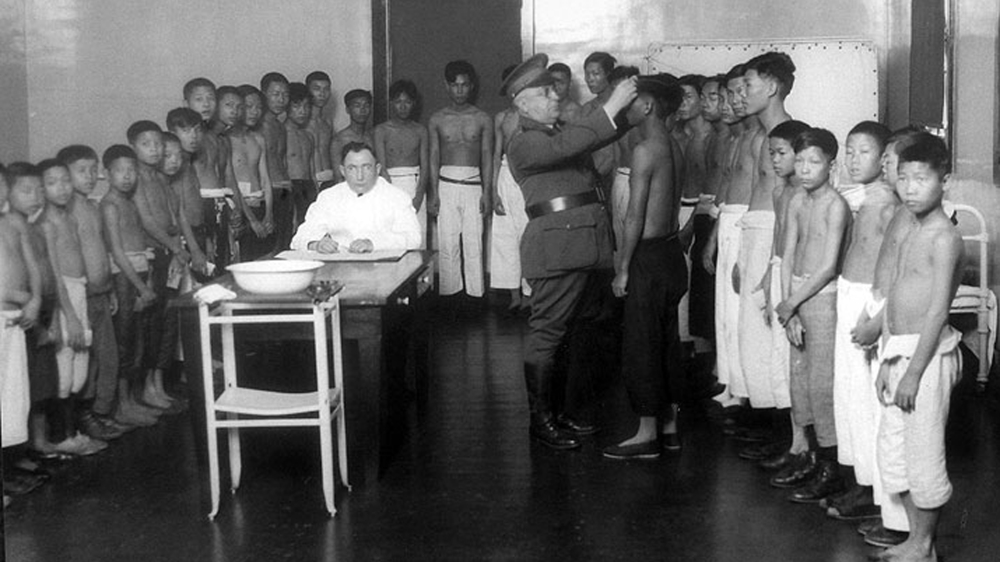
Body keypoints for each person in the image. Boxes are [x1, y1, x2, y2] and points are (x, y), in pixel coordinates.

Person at [502, 53, 636, 450]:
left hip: (582, 245)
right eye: (545, 93)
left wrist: (622, 107)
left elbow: (589, 136)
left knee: (570, 336)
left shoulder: (558, 133)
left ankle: (559, 413)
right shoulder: (524, 142)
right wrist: (611, 106)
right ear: (523, 102)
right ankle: (541, 422)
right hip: (557, 249)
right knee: (547, 335)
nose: (556, 96)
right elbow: (570, 143)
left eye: (554, 88)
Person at [867, 134, 962, 562]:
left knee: (923, 455)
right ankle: (915, 538)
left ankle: (924, 545)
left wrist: (913, 371)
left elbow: (937, 312)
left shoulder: (944, 237)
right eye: (903, 178)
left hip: (926, 359)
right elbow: (898, 299)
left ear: (945, 180)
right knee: (893, 453)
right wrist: (889, 358)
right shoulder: (911, 227)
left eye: (921, 179)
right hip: (899, 351)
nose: (909, 188)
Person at [849, 127, 933, 549]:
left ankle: (906, 529)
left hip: (902, 334)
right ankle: (892, 516)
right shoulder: (899, 211)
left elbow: (904, 284)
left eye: (893, 160)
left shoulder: (924, 223)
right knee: (885, 431)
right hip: (884, 324)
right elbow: (884, 277)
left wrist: (875, 321)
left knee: (905, 437)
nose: (886, 166)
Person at [602, 76, 686, 459]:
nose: (625, 108)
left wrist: (622, 267)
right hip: (671, 256)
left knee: (641, 345)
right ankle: (669, 428)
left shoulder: (645, 149)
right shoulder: (676, 146)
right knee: (666, 342)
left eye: (631, 101)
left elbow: (634, 215)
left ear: (649, 105)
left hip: (648, 257)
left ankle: (646, 434)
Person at [776, 128, 851, 502]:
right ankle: (806, 455)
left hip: (822, 297)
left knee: (822, 384)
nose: (805, 169)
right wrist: (788, 305)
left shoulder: (835, 205)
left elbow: (826, 267)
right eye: (800, 160)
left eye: (814, 161)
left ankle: (830, 466)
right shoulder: (797, 201)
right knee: (799, 379)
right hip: (797, 294)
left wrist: (793, 304)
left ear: (830, 165)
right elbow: (787, 254)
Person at [826, 121, 895, 521]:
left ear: (884, 158)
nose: (853, 159)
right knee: (849, 397)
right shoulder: (863, 198)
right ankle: (859, 482)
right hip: (849, 293)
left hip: (870, 302)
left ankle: (875, 491)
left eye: (864, 151)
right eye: (849, 150)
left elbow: (892, 270)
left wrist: (875, 314)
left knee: (868, 401)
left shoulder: (888, 204)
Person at [736, 52, 796, 438]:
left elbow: (786, 204)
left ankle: (786, 436)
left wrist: (773, 262)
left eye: (750, 85)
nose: (742, 93)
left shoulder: (789, 136)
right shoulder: (761, 137)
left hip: (773, 237)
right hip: (754, 232)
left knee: (773, 338)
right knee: (754, 337)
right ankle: (768, 424)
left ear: (772, 87)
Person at [38, 159, 109, 456]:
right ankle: (62, 436)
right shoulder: (46, 224)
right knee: (64, 372)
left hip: (80, 290)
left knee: (80, 368)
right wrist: (69, 314)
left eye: (66, 181)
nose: (63, 188)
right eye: (53, 183)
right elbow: (54, 275)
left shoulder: (69, 217)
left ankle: (73, 432)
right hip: (64, 296)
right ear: (42, 188)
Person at [754, 119, 813, 477]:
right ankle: (794, 441)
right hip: (779, 273)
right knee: (781, 361)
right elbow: (780, 240)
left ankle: (804, 446)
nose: (775, 160)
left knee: (799, 362)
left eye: (781, 153)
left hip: (799, 282)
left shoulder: (808, 194)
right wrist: (767, 275)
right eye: (771, 153)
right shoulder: (781, 192)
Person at [56, 145, 123, 441]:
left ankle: (99, 413)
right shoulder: (64, 212)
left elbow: (102, 251)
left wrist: (109, 289)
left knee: (106, 359)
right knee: (82, 363)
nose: (90, 176)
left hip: (100, 293)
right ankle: (83, 418)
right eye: (81, 170)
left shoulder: (93, 207)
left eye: (93, 169)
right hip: (78, 297)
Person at [702, 63, 758, 408]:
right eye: (730, 94)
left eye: (741, 92)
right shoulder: (738, 138)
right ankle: (731, 384)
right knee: (726, 314)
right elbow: (727, 194)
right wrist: (712, 238)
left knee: (741, 316)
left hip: (746, 228)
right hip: (729, 223)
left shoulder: (765, 137)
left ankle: (746, 394)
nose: (735, 101)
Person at [128, 121, 192, 414]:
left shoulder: (162, 179)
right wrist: (177, 247)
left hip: (170, 254)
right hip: (154, 255)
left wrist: (179, 248)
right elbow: (148, 222)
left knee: (167, 322)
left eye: (158, 145)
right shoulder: (138, 179)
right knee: (150, 326)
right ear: (133, 147)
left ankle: (158, 385)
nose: (154, 150)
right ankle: (144, 390)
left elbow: (173, 219)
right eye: (147, 144)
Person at [428, 60, 493, 301]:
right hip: (446, 182)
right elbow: (434, 156)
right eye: (455, 85)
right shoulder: (437, 119)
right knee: (447, 242)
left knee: (474, 241)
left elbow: (486, 156)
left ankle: (475, 297)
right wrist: (433, 192)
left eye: (464, 85)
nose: (460, 90)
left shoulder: (483, 118)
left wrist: (487, 192)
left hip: (474, 183)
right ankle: (450, 295)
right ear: (447, 86)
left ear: (472, 86)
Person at [0, 163, 45, 500]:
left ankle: (9, 465)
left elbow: (31, 266)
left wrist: (34, 301)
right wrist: (17, 296)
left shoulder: (11, 224)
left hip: (17, 321)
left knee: (13, 400)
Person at [290, 142, 420, 253]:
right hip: (340, 268)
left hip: (386, 269)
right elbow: (299, 239)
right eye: (352, 168)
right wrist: (316, 244)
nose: (360, 176)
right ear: (342, 171)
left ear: (378, 169)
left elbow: (413, 238)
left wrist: (373, 244)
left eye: (366, 167)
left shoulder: (396, 197)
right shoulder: (329, 197)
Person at [675, 74, 713, 348]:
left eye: (688, 97)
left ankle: (702, 353)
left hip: (698, 214)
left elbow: (711, 190)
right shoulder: (678, 135)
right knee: (679, 289)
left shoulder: (711, 138)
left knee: (698, 290)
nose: (682, 104)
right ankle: (686, 348)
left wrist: (690, 224)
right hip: (678, 209)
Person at [183, 78, 238, 266]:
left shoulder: (219, 138)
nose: (206, 104)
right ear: (186, 103)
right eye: (199, 99)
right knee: (205, 267)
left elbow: (227, 178)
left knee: (223, 263)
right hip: (199, 207)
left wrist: (234, 207)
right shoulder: (186, 140)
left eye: (210, 99)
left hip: (220, 204)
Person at [489, 65, 529, 311]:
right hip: (505, 177)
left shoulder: (533, 115)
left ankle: (530, 292)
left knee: (529, 235)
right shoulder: (501, 118)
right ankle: (514, 294)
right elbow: (495, 154)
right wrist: (493, 191)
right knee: (505, 237)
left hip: (528, 178)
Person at [374, 79, 429, 248]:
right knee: (391, 234)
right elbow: (381, 168)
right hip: (389, 184)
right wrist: (391, 195)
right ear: (391, 103)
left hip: (414, 181)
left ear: (413, 104)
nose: (403, 106)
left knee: (417, 234)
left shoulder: (420, 130)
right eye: (398, 102)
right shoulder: (381, 130)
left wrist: (419, 195)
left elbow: (425, 165)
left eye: (407, 102)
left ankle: (420, 274)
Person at [163, 108, 211, 272]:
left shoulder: (188, 163)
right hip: (184, 238)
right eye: (186, 131)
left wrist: (206, 239)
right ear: (171, 133)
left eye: (197, 130)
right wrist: (195, 249)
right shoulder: (173, 168)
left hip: (197, 233)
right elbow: (180, 213)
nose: (193, 136)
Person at [231, 85, 275, 261]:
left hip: (260, 205)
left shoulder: (258, 139)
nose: (254, 112)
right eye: (249, 107)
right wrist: (251, 220)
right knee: (241, 263)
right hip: (238, 209)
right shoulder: (226, 140)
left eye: (258, 107)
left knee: (265, 259)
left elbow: (265, 179)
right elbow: (231, 181)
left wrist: (269, 214)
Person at [259, 72, 293, 251]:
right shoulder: (259, 125)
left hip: (285, 188)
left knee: (284, 247)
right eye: (275, 94)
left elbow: (282, 160)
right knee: (269, 249)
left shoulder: (280, 126)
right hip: (269, 190)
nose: (281, 99)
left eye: (285, 95)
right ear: (264, 94)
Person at [286, 82, 317, 228]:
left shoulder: (308, 136)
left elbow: (311, 168)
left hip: (308, 186)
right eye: (297, 106)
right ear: (287, 107)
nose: (302, 111)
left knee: (310, 227)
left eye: (306, 106)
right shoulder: (281, 133)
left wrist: (316, 192)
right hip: (291, 186)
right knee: (292, 229)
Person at [331, 89, 375, 184]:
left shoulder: (372, 136)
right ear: (348, 109)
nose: (362, 110)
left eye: (366, 105)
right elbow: (338, 176)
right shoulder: (340, 140)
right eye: (357, 106)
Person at [305, 71, 335, 187]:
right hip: (310, 178)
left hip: (329, 176)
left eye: (326, 89)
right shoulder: (301, 123)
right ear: (308, 91)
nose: (322, 94)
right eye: (317, 89)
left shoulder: (328, 122)